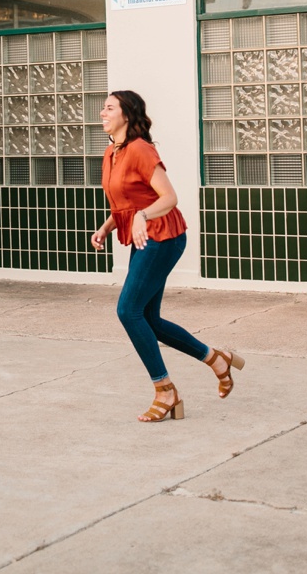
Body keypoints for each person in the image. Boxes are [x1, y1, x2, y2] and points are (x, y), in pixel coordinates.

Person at [90, 90, 243, 422]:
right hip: (144, 239)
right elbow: (125, 203)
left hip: (164, 237)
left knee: (129, 311)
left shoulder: (141, 150)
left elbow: (168, 197)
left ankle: (165, 391)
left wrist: (143, 217)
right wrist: (106, 228)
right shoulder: (111, 153)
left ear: (127, 115)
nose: (102, 112)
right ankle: (217, 360)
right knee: (150, 320)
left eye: (109, 107)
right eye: (103, 107)